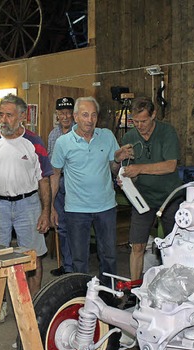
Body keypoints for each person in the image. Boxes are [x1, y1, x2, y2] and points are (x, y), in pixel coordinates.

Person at [0, 94, 52, 299]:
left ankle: (34, 303)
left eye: (9, 115)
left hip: (29, 205)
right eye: (1, 115)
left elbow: (44, 180)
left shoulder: (34, 142)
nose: (3, 120)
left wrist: (45, 212)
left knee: (32, 257)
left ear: (22, 116)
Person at [51, 96, 133, 279]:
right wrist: (50, 207)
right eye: (85, 115)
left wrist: (118, 160)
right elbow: (54, 175)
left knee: (109, 256)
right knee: (79, 260)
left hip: (106, 208)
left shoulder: (107, 136)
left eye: (93, 115)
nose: (90, 120)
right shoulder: (63, 143)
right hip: (76, 210)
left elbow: (113, 169)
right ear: (76, 116)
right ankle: (81, 299)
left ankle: (108, 295)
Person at [119, 97, 183, 282]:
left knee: (173, 244)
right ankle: (134, 287)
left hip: (170, 196)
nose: (139, 126)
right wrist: (126, 177)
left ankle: (175, 284)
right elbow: (128, 170)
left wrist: (139, 168)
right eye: (135, 121)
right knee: (137, 245)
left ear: (153, 115)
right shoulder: (129, 137)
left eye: (144, 121)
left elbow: (170, 165)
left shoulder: (167, 132)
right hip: (143, 198)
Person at [46, 97, 75, 276]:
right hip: (57, 181)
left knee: (76, 225)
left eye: (68, 112)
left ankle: (76, 266)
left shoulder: (79, 132)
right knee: (61, 226)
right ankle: (67, 265)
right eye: (61, 113)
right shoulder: (52, 135)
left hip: (74, 183)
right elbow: (50, 161)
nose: (65, 116)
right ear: (57, 114)